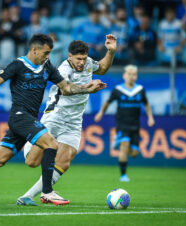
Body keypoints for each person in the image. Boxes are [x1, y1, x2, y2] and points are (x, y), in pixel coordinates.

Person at [0, 34, 106, 205]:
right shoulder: (18, 65)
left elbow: (66, 88)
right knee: (51, 143)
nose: (48, 57)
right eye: (46, 53)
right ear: (34, 50)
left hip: (29, 120)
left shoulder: (47, 67)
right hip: (19, 116)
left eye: (49, 53)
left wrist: (87, 89)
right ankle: (47, 192)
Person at [17, 34, 117, 206]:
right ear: (69, 56)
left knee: (66, 159)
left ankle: (29, 196)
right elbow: (66, 90)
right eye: (78, 59)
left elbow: (101, 68)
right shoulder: (63, 69)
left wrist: (111, 52)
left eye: (84, 59)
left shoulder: (87, 64)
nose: (81, 63)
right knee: (32, 162)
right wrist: (88, 88)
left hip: (74, 122)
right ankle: (28, 142)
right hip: (55, 116)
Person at [94, 64, 155, 182]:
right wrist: (100, 113)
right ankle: (123, 175)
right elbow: (107, 102)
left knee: (134, 153)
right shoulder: (118, 90)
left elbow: (146, 104)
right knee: (124, 146)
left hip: (135, 125)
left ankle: (118, 141)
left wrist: (150, 118)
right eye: (130, 74)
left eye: (134, 75)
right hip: (122, 123)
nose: (132, 77)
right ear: (124, 76)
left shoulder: (140, 90)